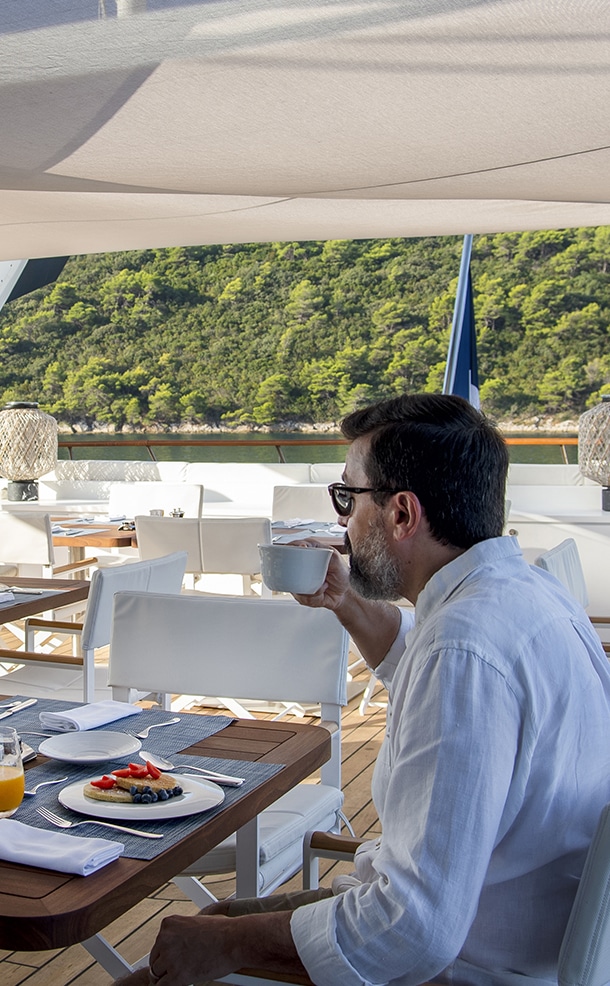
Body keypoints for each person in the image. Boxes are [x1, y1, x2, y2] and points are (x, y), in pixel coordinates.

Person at [115, 394, 610, 986]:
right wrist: (344, 600)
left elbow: (413, 929)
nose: (343, 523)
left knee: (161, 966)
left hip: (464, 966)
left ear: (402, 514)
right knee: (214, 921)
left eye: (348, 498)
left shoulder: (463, 648)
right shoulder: (528, 594)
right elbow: (431, 677)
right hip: (518, 934)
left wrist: (229, 946)